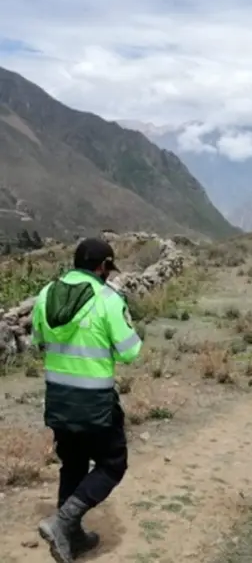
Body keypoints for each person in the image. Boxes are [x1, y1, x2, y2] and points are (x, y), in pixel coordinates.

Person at [32, 237, 142, 562]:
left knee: (74, 463)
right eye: (108, 268)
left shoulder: (46, 294)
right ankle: (63, 522)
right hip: (95, 403)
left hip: (58, 398)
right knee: (112, 464)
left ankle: (73, 536)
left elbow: (38, 338)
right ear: (103, 266)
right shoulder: (107, 298)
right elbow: (130, 351)